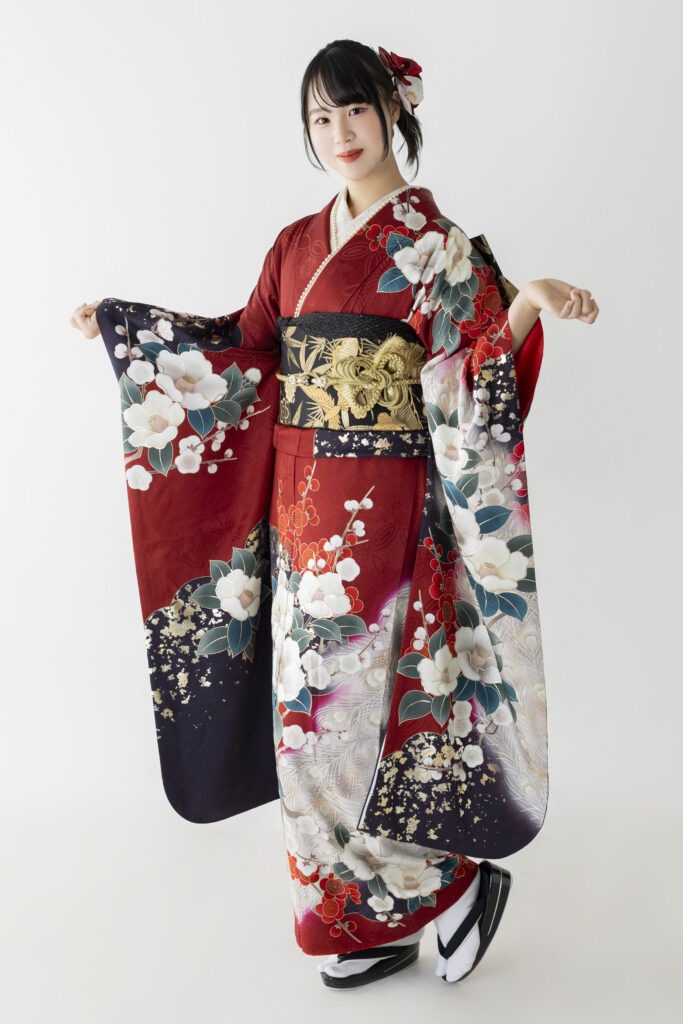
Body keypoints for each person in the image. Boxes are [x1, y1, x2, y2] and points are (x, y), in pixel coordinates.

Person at [71, 38, 599, 990]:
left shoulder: (437, 248)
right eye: (320, 116)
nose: (339, 131)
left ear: (393, 110)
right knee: (301, 719)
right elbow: (243, 354)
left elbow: (469, 373)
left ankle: (449, 883)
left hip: (384, 514)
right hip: (297, 511)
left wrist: (522, 306)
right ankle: (373, 917)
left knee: (354, 716)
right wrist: (133, 336)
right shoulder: (293, 246)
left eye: (354, 108)